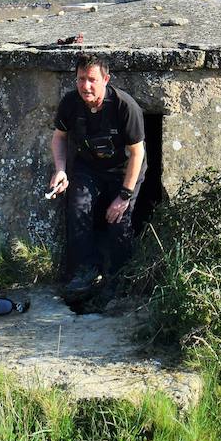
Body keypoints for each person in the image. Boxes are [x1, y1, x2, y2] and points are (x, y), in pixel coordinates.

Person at [48, 54, 146, 299]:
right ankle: (85, 272)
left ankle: (120, 279)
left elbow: (138, 153)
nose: (86, 86)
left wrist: (124, 196)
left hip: (125, 171)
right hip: (88, 167)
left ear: (106, 79)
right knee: (78, 208)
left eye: (92, 79)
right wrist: (60, 169)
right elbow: (59, 137)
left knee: (118, 221)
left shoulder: (125, 106)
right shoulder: (71, 103)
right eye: (81, 79)